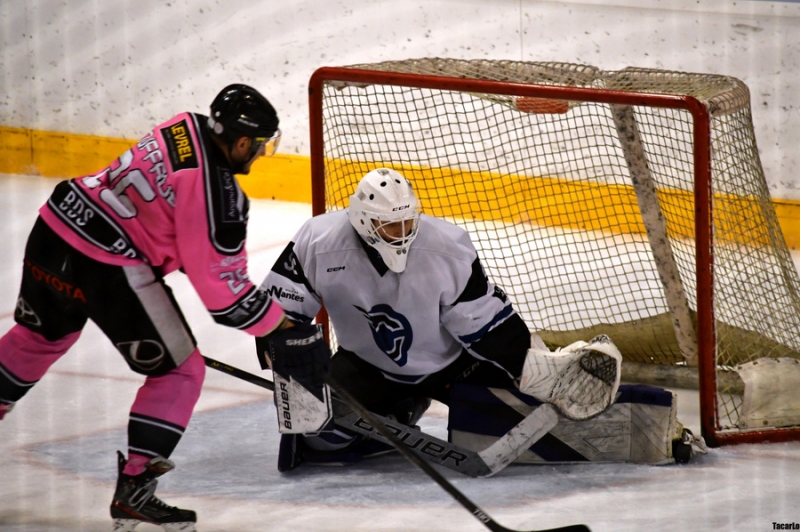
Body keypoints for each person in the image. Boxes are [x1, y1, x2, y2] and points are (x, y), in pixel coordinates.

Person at [0, 84, 329, 532]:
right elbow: (224, 296)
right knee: (181, 371)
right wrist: (281, 325)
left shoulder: (183, 125)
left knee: (38, 339)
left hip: (58, 222)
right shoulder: (221, 192)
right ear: (241, 142)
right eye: (261, 146)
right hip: (109, 264)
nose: (259, 156)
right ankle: (136, 491)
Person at [260, 167, 541, 471]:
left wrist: (527, 369)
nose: (403, 231)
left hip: (452, 367)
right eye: (391, 225)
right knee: (319, 435)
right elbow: (277, 308)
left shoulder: (447, 245)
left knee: (517, 427)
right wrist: (289, 359)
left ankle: (402, 408)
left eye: (408, 220)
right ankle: (400, 413)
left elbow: (485, 323)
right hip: (368, 368)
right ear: (364, 219)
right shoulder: (318, 240)